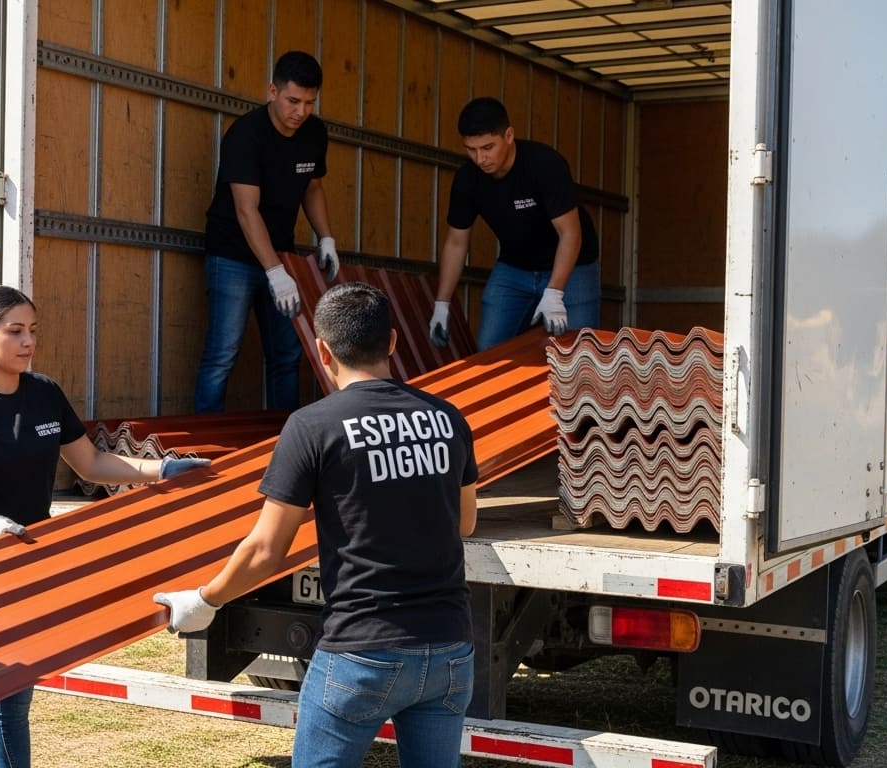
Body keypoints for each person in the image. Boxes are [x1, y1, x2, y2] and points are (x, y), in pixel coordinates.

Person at [156, 281, 479, 768]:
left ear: (323, 351)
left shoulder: (313, 425)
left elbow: (266, 549)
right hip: (451, 648)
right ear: (392, 342)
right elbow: (465, 523)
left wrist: (205, 601)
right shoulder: (447, 418)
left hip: (362, 650)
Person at [0, 284, 210, 768]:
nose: (27, 341)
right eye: (15, 332)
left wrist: (161, 470)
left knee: (13, 700)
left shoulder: (45, 394)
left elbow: (92, 463)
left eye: (32, 331)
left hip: (25, 558)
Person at [194, 49, 339, 414]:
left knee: (286, 354)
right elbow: (246, 210)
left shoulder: (314, 132)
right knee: (222, 354)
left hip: (281, 254)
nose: (300, 112)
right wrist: (275, 272)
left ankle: (285, 438)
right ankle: (206, 445)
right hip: (232, 255)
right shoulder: (246, 135)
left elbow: (313, 187)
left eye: (309, 102)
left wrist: (326, 238)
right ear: (272, 91)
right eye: (292, 100)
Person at [430, 96, 600, 350]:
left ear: (509, 135)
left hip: (574, 266)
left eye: (488, 147)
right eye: (471, 149)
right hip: (515, 268)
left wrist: (554, 293)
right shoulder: (468, 179)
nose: (480, 158)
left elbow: (570, 233)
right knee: (489, 352)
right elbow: (456, 242)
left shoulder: (545, 164)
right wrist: (442, 304)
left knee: (579, 354)